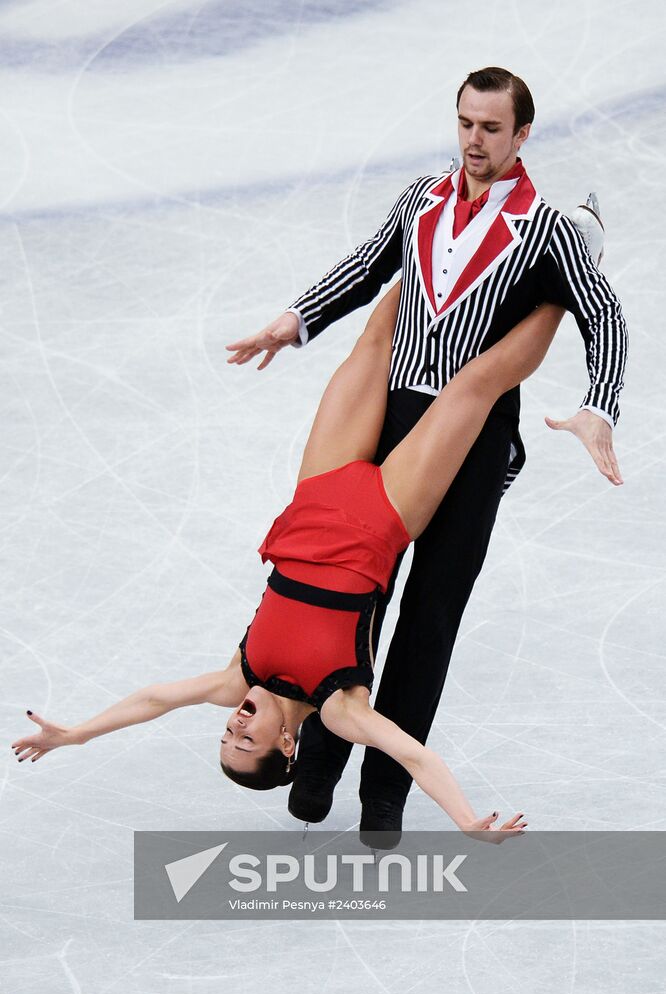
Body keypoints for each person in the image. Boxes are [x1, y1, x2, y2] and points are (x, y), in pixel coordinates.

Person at [224, 66, 628, 842]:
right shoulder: (422, 199)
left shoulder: (545, 231)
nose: (474, 142)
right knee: (352, 599)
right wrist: (294, 319)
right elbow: (369, 262)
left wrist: (596, 406)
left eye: (491, 129)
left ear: (521, 136)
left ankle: (387, 793)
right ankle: (317, 765)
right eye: (465, 124)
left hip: (472, 443)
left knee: (429, 617)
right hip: (392, 420)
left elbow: (603, 316)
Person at [10, 287, 565, 840]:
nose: (234, 724)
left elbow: (156, 698)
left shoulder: (238, 678)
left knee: (374, 342)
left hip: (317, 492)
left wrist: (78, 733)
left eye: (226, 736)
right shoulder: (340, 709)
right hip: (386, 514)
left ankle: (427, 233)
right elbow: (416, 757)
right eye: (246, 740)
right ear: (286, 745)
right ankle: (563, 289)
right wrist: (467, 822)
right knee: (476, 384)